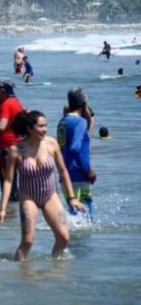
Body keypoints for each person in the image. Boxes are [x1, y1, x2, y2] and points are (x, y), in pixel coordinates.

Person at [0, 111, 86, 260]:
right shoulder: (16, 150)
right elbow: (9, 180)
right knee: (27, 241)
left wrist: (72, 198)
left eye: (46, 125)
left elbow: (63, 171)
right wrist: (2, 209)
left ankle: (55, 270)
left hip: (50, 196)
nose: (45, 129)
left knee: (64, 238)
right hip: (29, 197)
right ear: (30, 128)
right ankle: (20, 274)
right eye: (40, 126)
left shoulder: (51, 144)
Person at [57, 88, 97, 219]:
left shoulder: (62, 121)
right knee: (86, 215)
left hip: (66, 175)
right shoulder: (80, 121)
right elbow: (76, 148)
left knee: (74, 213)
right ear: (84, 104)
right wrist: (88, 169)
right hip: (79, 174)